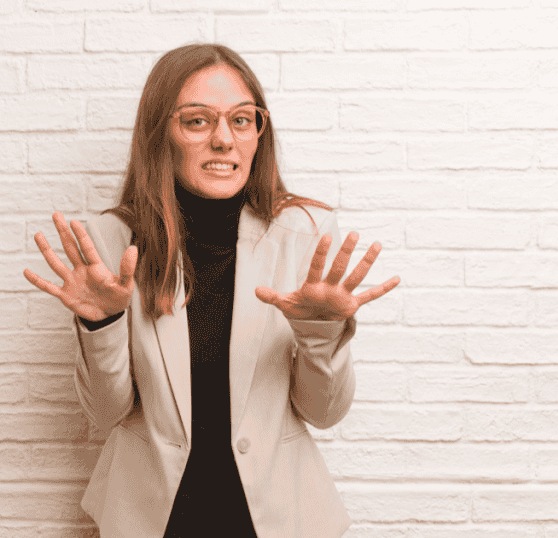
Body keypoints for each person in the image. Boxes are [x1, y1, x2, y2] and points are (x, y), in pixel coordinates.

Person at [23, 43, 400, 538]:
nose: (225, 139)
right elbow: (105, 413)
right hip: (151, 519)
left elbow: (323, 413)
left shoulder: (307, 234)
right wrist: (102, 324)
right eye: (198, 121)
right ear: (161, 134)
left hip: (278, 519)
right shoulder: (112, 243)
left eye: (242, 120)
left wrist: (322, 331)